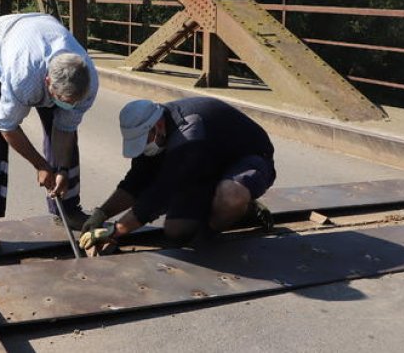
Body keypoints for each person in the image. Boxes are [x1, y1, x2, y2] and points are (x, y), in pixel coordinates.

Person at [0, 12, 98, 258]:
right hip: (0, 42)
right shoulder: (23, 78)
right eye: (62, 100)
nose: (68, 106)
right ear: (48, 82)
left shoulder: (87, 81)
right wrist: (40, 165)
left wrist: (59, 169)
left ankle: (67, 209)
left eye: (72, 102)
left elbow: (66, 128)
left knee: (66, 135)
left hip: (39, 35)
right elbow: (7, 126)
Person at [78, 97, 275, 256]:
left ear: (159, 126)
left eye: (143, 140)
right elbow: (137, 181)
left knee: (229, 197)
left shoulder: (188, 134)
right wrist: (102, 214)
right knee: (176, 231)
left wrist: (115, 230)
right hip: (205, 167)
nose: (143, 146)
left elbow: (162, 192)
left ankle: (235, 212)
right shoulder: (156, 137)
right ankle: (228, 209)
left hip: (250, 161)